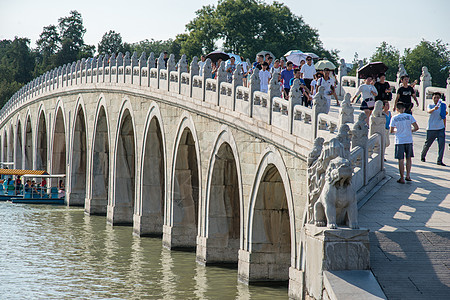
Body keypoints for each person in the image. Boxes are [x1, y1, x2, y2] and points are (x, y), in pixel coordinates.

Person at [390, 102, 419, 184]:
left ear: (397, 109)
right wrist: (410, 131)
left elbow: (391, 130)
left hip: (399, 140)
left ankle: (402, 177)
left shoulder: (394, 118)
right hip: (408, 140)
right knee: (409, 158)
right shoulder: (409, 116)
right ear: (404, 109)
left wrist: (397, 131)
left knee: (401, 159)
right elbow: (416, 127)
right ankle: (408, 175)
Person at [420, 92, 446, 166]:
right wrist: (434, 108)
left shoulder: (443, 106)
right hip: (431, 128)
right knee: (428, 144)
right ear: (432, 98)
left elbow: (444, 117)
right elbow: (429, 111)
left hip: (440, 128)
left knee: (441, 145)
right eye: (435, 98)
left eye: (438, 98)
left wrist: (444, 127)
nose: (436, 99)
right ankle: (423, 156)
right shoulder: (430, 105)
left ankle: (439, 160)